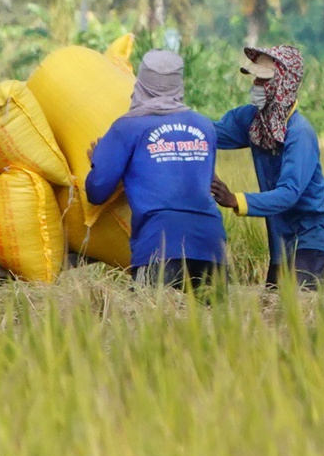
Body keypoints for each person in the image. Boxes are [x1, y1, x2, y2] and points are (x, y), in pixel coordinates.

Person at [83, 49, 228, 288]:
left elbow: (97, 192)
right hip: (211, 245)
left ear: (142, 83)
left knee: (154, 322)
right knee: (215, 323)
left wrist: (99, 161)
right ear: (179, 84)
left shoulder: (127, 127)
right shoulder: (205, 126)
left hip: (159, 245)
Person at [210, 44, 324, 289]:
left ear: (283, 84)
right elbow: (208, 133)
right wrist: (172, 116)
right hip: (281, 239)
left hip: (311, 236)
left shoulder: (299, 134)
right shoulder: (252, 120)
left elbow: (289, 193)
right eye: (255, 78)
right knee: (273, 312)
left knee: (295, 310)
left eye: (263, 79)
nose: (256, 85)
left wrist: (235, 200)